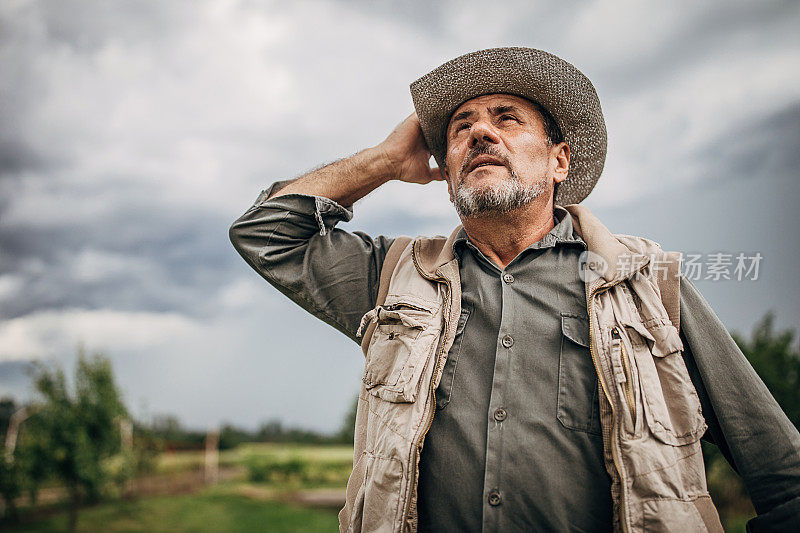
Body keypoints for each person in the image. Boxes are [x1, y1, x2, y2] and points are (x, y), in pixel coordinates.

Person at [230, 48, 800, 532]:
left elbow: (781, 473)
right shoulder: (392, 273)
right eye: (460, 128)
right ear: (446, 172)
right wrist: (383, 161)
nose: (480, 131)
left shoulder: (643, 281)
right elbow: (265, 234)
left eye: (507, 119)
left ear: (559, 161)